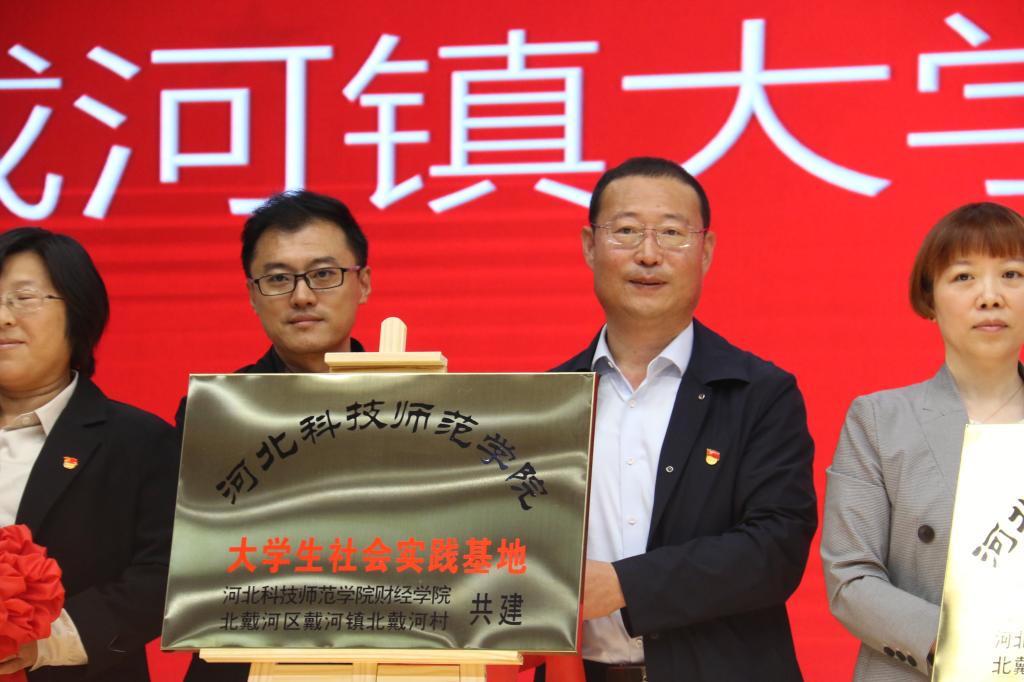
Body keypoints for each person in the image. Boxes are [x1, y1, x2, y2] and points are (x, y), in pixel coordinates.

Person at [550, 157, 817, 682]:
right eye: (626, 231)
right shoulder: (545, 400)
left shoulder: (759, 393)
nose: (648, 254)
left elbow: (775, 548)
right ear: (589, 246)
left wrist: (623, 585)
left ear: (706, 250)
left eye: (672, 233)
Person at [822, 202, 1024, 680]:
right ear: (929, 298)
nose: (990, 296)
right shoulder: (880, 420)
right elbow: (850, 577)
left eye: (1012, 275)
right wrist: (963, 647)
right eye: (964, 277)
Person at [180, 189, 371, 682]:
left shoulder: (425, 408)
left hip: (393, 657)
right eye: (278, 279)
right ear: (252, 294)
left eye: (323, 274)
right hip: (244, 663)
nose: (302, 296)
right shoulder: (218, 412)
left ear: (363, 283)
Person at [0, 227, 178, 681]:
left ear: (77, 312)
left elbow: (163, 575)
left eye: (24, 298)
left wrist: (45, 642)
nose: (3, 317)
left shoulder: (140, 442)